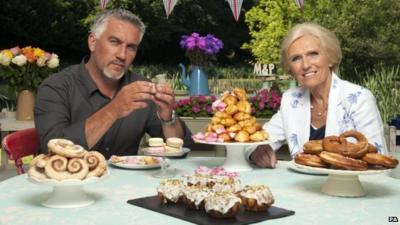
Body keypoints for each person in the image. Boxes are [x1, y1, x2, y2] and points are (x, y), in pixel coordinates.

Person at [34, 9, 193, 159]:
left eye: (131, 47)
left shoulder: (142, 88)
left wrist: (168, 117)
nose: (122, 55)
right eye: (114, 42)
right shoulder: (56, 87)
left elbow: (180, 150)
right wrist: (113, 110)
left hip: (128, 186)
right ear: (92, 42)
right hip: (72, 185)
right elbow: (52, 151)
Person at [246, 22, 388, 168]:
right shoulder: (291, 100)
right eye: (296, 58)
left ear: (330, 58)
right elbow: (254, 141)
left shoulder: (359, 98)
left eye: (313, 54)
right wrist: (256, 151)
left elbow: (379, 160)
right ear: (290, 68)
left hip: (350, 187)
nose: (305, 65)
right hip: (303, 188)